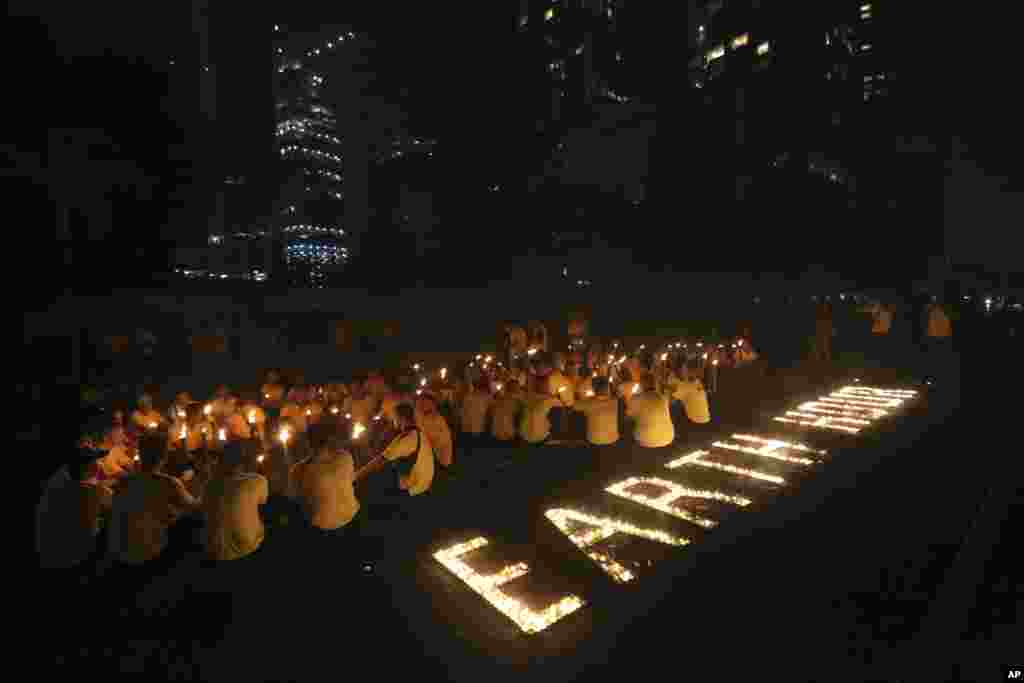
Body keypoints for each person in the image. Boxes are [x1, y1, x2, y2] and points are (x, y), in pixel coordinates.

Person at [107, 433, 207, 587]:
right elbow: (196, 507)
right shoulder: (169, 483)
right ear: (164, 456)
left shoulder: (124, 481)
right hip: (147, 554)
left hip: (118, 551)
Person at [36, 449, 113, 573]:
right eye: (95, 461)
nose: (99, 464)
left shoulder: (59, 477)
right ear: (86, 468)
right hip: (70, 556)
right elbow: (112, 500)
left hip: (45, 550)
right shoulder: (89, 491)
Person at [202, 440, 269, 561]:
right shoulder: (257, 481)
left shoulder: (209, 485)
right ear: (245, 461)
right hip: (246, 549)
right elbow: (263, 503)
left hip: (213, 550)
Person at [290, 431, 359, 533]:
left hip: (321, 527)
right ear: (329, 441)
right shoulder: (345, 457)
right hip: (351, 516)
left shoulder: (298, 469)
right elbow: (352, 480)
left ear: (307, 444)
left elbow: (297, 498)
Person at [625, 374, 675, 448]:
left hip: (644, 440)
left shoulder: (636, 398)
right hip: (668, 437)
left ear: (641, 385)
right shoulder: (663, 396)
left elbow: (629, 416)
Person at [570, 376, 620, 446]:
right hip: (612, 439)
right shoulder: (615, 401)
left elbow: (573, 405)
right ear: (608, 388)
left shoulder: (588, 403)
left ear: (593, 388)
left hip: (594, 439)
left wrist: (583, 394)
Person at [518, 377, 564, 445]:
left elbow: (557, 421)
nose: (543, 386)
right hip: (525, 436)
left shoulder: (552, 401)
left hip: (540, 436)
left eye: (545, 385)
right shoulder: (527, 397)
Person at [416, 394, 454, 468]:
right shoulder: (419, 417)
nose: (425, 405)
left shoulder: (438, 418)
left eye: (428, 404)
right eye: (423, 403)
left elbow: (446, 435)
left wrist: (435, 438)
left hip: (437, 451)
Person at [460, 377, 493, 443]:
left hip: (473, 428)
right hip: (475, 428)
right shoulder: (469, 397)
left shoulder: (468, 397)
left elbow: (463, 413)